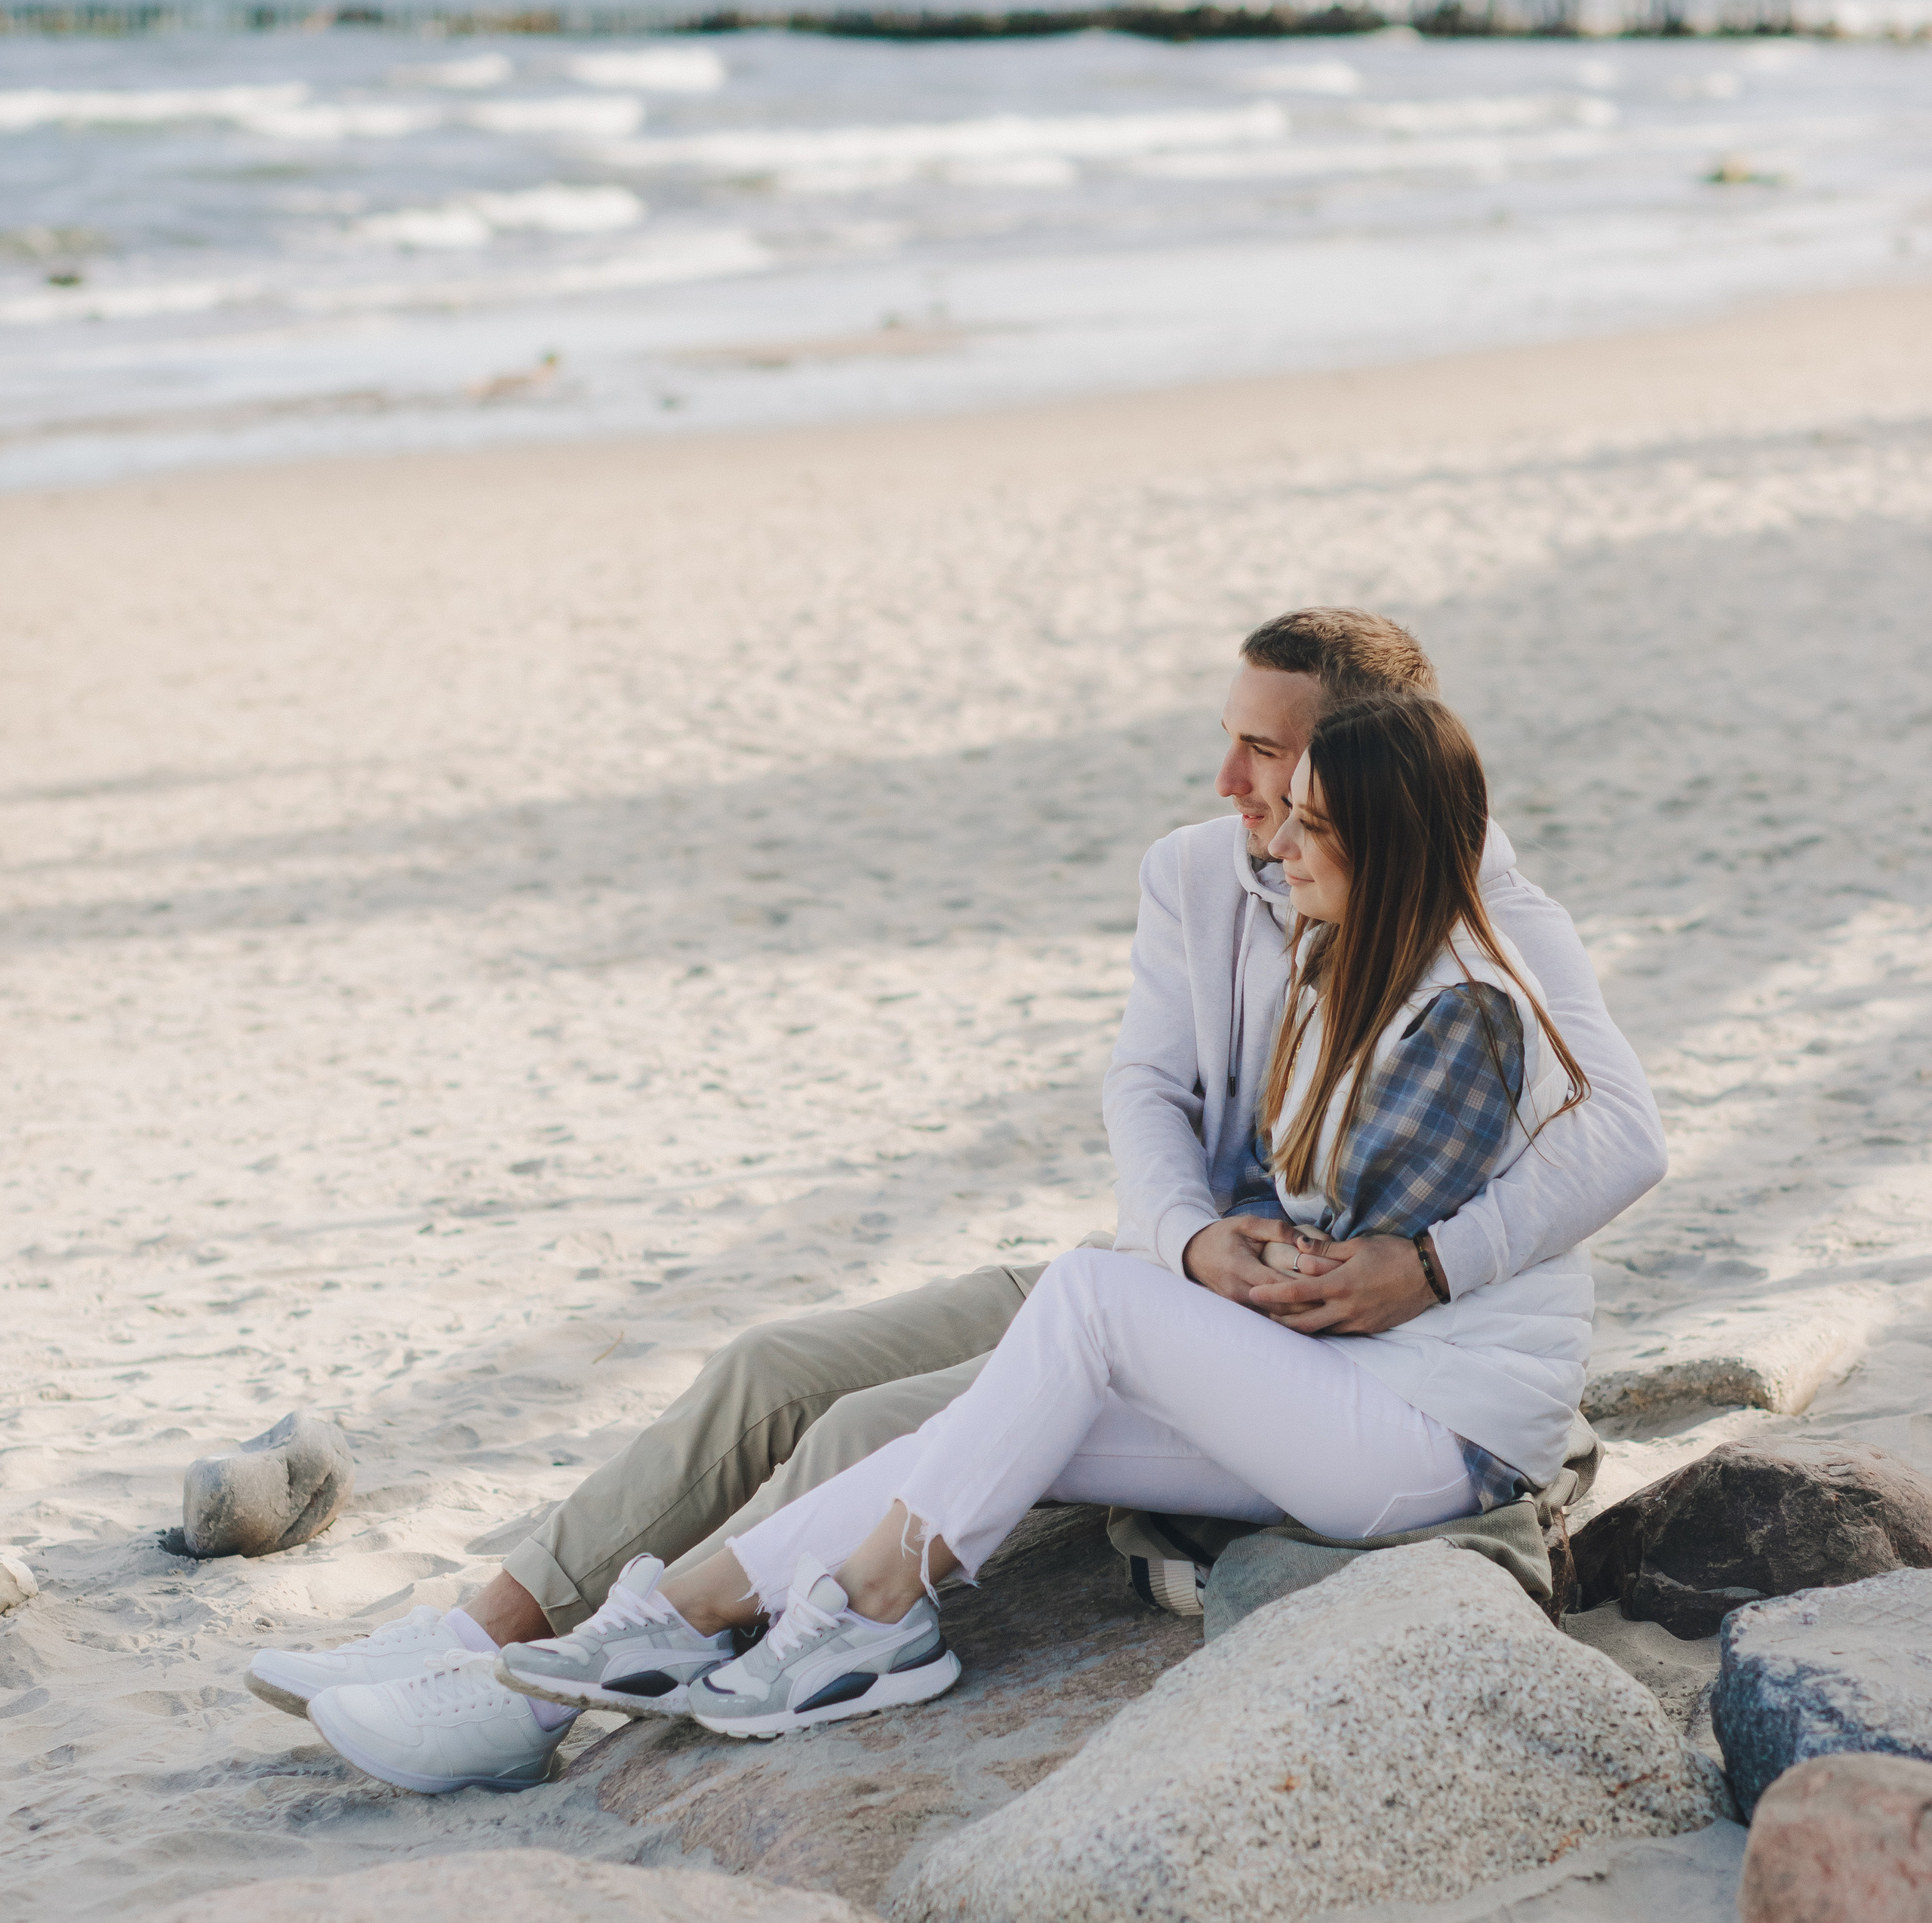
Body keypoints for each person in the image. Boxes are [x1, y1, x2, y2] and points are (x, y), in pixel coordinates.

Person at [260, 612, 1665, 1792]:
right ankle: (482, 1635)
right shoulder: (1195, 872)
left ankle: (566, 1691)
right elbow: (1143, 1087)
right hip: (1174, 1273)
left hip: (1300, 1335)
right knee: (776, 1365)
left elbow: (1618, 1134)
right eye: (1236, 744)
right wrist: (1187, 1241)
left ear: (1368, 770)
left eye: (1273, 756)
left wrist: (1429, 1265)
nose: (1233, 782)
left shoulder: (1477, 916)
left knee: (883, 1425)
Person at [575, 691, 1605, 1739]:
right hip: (1366, 1397)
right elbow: (1284, 1196)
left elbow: (1337, 1257)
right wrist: (1236, 1249)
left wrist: (1226, 1264)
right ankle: (687, 1616)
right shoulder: (1343, 963)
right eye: (1290, 812)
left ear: (1386, 847)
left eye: (1315, 825)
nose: (1278, 845)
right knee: (1000, 1426)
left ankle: (878, 1612)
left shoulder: (1468, 1010)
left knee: (1087, 1294)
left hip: (1446, 1435)